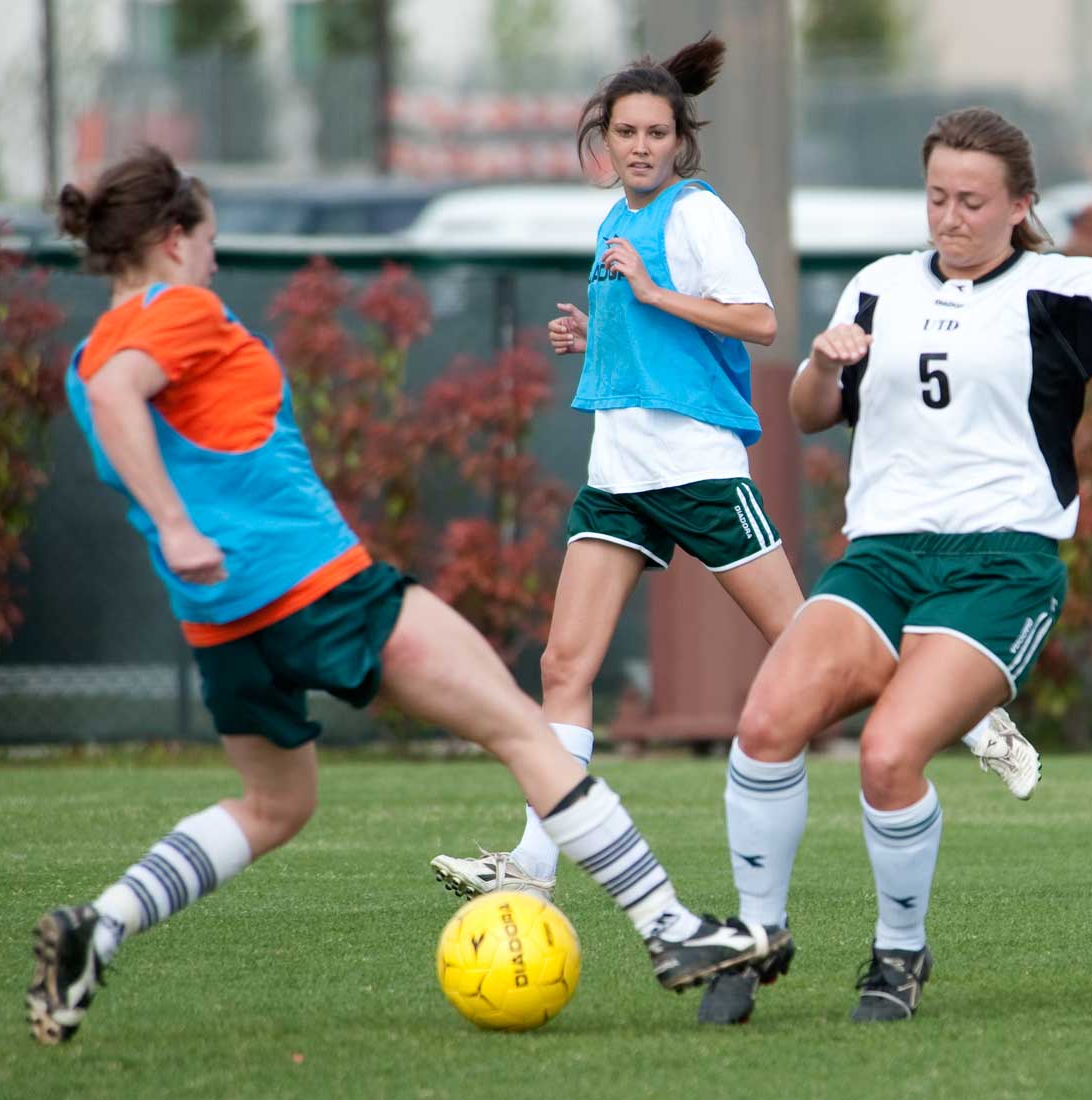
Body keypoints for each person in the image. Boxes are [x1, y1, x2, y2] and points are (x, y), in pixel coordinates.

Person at [25, 146, 789, 1046]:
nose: (216, 262)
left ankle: (100, 925)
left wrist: (182, 535)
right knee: (523, 726)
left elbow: (115, 396)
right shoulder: (174, 310)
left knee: (275, 806)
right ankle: (671, 928)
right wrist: (176, 524)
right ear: (170, 239)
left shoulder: (85, 353)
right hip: (315, 587)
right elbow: (122, 394)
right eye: (210, 241)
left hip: (221, 620)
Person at [428, 36, 1042, 941]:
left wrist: (650, 294)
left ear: (681, 142)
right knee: (564, 666)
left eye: (657, 133)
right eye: (627, 132)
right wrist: (594, 334)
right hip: (619, 472)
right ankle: (535, 863)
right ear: (604, 139)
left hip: (697, 468)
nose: (641, 146)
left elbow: (758, 320)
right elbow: (651, 337)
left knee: (809, 647)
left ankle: (975, 713)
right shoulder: (615, 221)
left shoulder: (698, 215)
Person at [712, 108, 1092, 1026]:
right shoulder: (880, 285)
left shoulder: (1057, 289)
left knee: (889, 753)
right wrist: (820, 362)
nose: (950, 216)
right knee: (767, 722)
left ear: (1019, 205)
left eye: (972, 201)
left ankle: (899, 953)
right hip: (882, 558)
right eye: (937, 196)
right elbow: (811, 413)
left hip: (1001, 566)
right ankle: (756, 935)